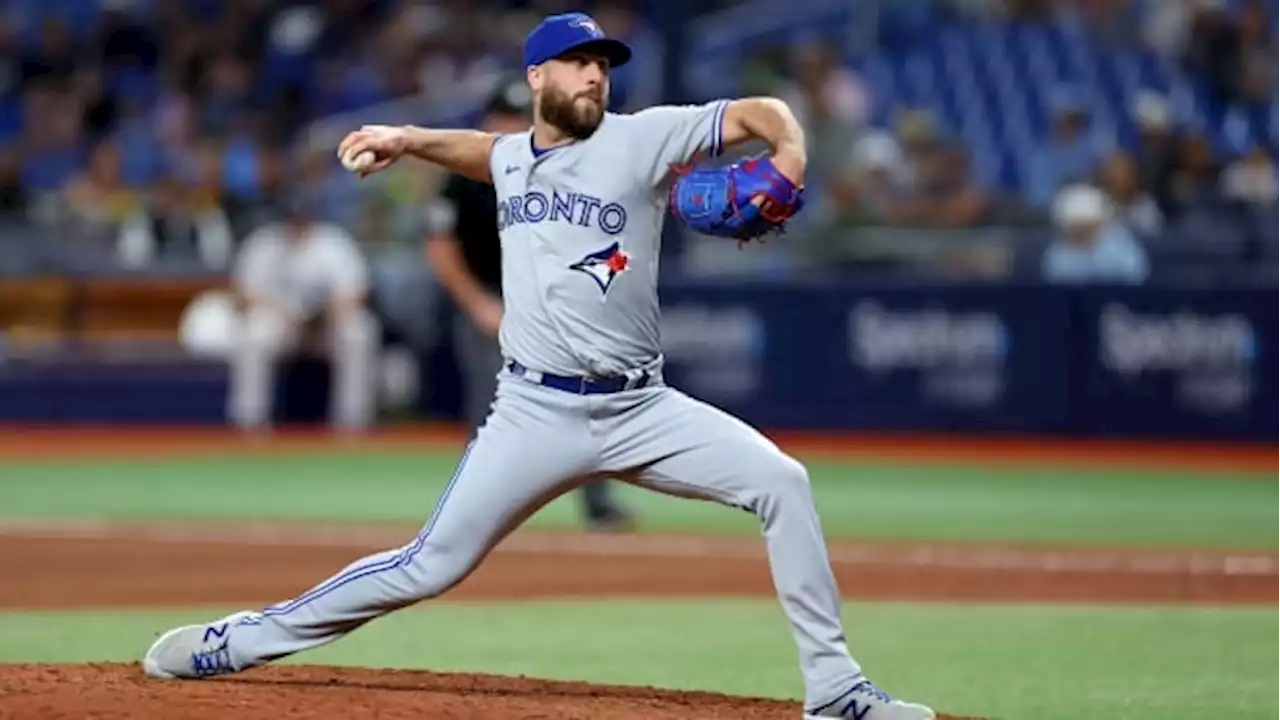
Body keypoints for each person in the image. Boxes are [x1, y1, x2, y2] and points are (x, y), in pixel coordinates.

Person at [141, 12, 936, 720]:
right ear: (537, 76)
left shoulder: (643, 136)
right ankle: (237, 640)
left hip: (643, 409)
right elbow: (484, 153)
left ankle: (835, 692)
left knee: (783, 483)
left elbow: (764, 113)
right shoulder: (514, 159)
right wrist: (408, 138)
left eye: (604, 63)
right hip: (534, 414)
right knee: (427, 566)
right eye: (578, 61)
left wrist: (791, 153)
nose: (596, 74)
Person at [425, 75, 637, 532]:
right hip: (487, 299)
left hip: (549, 304)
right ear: (486, 119)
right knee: (491, 409)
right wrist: (478, 304)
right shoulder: (463, 176)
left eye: (519, 118)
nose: (511, 127)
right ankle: (475, 513)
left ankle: (599, 503)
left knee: (583, 400)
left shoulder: (559, 169)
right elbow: (441, 247)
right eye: (503, 116)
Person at [227, 189, 380, 433]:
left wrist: (327, 315)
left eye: (301, 216)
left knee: (359, 331)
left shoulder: (332, 242)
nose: (296, 222)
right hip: (281, 324)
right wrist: (285, 316)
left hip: (325, 325)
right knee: (255, 334)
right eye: (291, 217)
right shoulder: (264, 243)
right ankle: (250, 421)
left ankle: (352, 423)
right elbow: (245, 295)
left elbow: (356, 293)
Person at [1042, 184, 1150, 285]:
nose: (1082, 230)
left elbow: (1137, 274)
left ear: (1100, 223)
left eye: (1087, 224)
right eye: (1076, 225)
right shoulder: (1057, 253)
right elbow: (1053, 279)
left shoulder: (1120, 243)